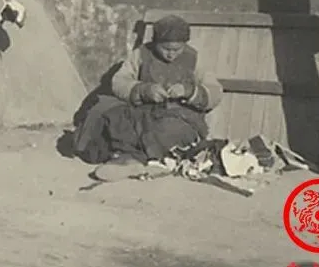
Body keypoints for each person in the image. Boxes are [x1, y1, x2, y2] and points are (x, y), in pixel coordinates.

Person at [73, 14, 223, 179]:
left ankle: (133, 160)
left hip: (180, 117)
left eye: (177, 49)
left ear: (184, 44)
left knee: (168, 132)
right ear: (155, 42)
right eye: (166, 49)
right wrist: (143, 90)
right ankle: (139, 161)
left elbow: (215, 91)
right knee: (112, 119)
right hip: (143, 111)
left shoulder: (194, 58)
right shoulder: (141, 54)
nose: (171, 55)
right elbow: (119, 81)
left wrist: (189, 91)